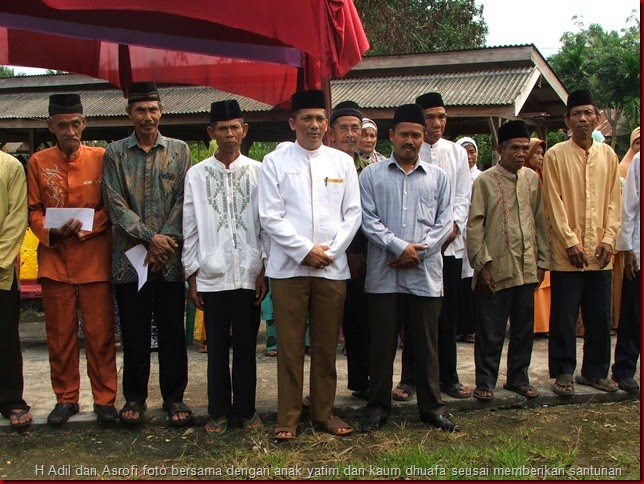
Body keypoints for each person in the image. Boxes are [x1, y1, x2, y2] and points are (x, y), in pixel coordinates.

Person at [258, 89, 361, 439]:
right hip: (289, 269)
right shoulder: (275, 162)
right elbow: (270, 216)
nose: (314, 125)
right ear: (293, 123)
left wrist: (329, 252)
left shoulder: (342, 162)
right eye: (307, 118)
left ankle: (323, 412)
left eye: (320, 119)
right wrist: (305, 251)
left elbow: (353, 214)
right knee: (288, 346)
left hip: (332, 268)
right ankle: (287, 417)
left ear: (326, 126)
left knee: (325, 345)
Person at [360, 103, 458, 433]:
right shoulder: (371, 175)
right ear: (391, 136)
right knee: (382, 345)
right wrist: (399, 247)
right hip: (384, 275)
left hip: (425, 277)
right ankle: (377, 407)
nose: (410, 140)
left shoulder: (439, 178)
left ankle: (432, 408)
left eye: (416, 135)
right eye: (404, 134)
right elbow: (367, 220)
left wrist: (417, 253)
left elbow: (446, 223)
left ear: (424, 138)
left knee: (427, 346)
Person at [102, 82, 193, 426]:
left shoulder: (179, 150)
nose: (147, 116)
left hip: (168, 260)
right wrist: (148, 237)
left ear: (161, 112)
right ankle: (135, 398)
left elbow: (186, 200)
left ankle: (174, 397)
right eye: (140, 110)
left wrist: (163, 240)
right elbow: (115, 204)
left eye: (153, 109)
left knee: (172, 331)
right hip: (129, 260)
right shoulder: (115, 153)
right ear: (130, 114)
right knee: (134, 331)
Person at [27, 93, 118, 425]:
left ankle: (105, 399)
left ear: (84, 123)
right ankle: (65, 398)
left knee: (100, 334)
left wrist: (89, 227)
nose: (70, 131)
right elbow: (33, 210)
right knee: (60, 335)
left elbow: (111, 206)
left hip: (94, 258)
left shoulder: (102, 157)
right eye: (62, 125)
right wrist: (51, 231)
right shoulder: (38, 162)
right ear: (51, 126)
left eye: (75, 124)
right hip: (55, 259)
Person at [183, 99, 268, 433]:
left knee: (247, 347)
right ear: (211, 133)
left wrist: (263, 269)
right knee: (216, 348)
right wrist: (192, 275)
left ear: (244, 130)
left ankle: (246, 411)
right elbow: (189, 226)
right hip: (212, 275)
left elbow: (265, 226)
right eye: (223, 128)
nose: (230, 134)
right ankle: (218, 411)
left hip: (249, 274)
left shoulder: (259, 171)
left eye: (235, 127)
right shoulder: (197, 174)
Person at [542, 89, 621, 396]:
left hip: (601, 253)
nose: (583, 119)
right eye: (577, 114)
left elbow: (614, 200)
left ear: (597, 117)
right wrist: (570, 241)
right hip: (568, 255)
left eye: (588, 113)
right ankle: (563, 372)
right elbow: (553, 203)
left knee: (599, 315)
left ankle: (596, 372)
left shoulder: (609, 156)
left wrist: (609, 239)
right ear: (567, 120)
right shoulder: (555, 156)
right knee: (563, 314)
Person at [467, 120, 550, 401]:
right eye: (515, 147)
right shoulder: (485, 181)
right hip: (495, 268)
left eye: (525, 148)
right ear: (500, 149)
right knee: (490, 331)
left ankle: (518, 379)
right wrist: (482, 265)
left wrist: (542, 261)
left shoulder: (532, 179)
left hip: (527, 269)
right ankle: (486, 383)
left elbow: (540, 221)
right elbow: (475, 225)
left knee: (524, 330)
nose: (521, 153)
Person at [406, 91, 471, 400]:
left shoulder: (456, 153)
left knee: (446, 315)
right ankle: (408, 379)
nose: (436, 123)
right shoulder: (411, 149)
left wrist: (452, 229)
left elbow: (462, 196)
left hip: (450, 248)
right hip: (415, 249)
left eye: (441, 116)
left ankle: (449, 377)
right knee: (412, 313)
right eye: (430, 117)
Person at [329, 101, 371, 400]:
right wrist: (343, 252)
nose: (350, 134)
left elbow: (370, 215)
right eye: (343, 127)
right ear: (332, 132)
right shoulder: (323, 164)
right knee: (325, 329)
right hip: (328, 257)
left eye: (355, 128)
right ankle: (321, 391)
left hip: (364, 260)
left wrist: (362, 254)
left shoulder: (371, 169)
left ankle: (360, 383)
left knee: (361, 324)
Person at [0, 150, 32, 429]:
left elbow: (16, 218)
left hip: (1, 270)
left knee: (5, 337)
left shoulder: (9, 166)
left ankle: (11, 399)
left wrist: (0, 259)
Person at [611, 152, 640, 393]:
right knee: (633, 314)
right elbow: (628, 207)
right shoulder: (639, 161)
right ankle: (624, 370)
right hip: (639, 252)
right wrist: (628, 249)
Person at [524, 138, 551, 337]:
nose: (540, 157)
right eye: (536, 153)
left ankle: (542, 324)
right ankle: (535, 324)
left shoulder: (542, 175)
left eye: (542, 153)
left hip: (544, 233)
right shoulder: (527, 176)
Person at [455, 136, 481, 344]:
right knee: (457, 285)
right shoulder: (454, 177)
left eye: (472, 152)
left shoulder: (481, 177)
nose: (469, 156)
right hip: (456, 236)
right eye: (464, 152)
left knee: (472, 283)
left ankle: (471, 327)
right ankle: (458, 326)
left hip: (474, 235)